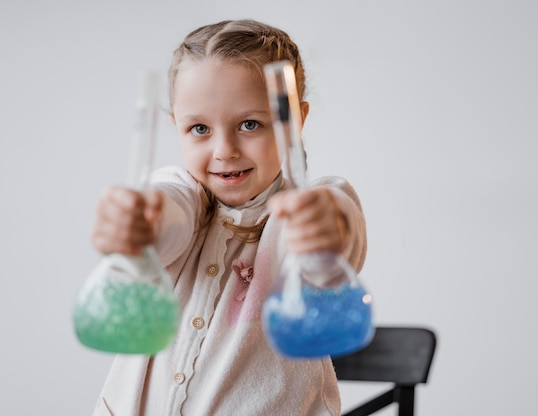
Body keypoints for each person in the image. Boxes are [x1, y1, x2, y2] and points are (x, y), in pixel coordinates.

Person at [89, 19, 367, 416]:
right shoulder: (180, 194)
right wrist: (141, 223)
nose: (224, 150)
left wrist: (325, 229)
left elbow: (335, 239)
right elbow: (167, 215)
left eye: (249, 124)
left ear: (295, 120)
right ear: (176, 127)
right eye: (199, 128)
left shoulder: (312, 204)